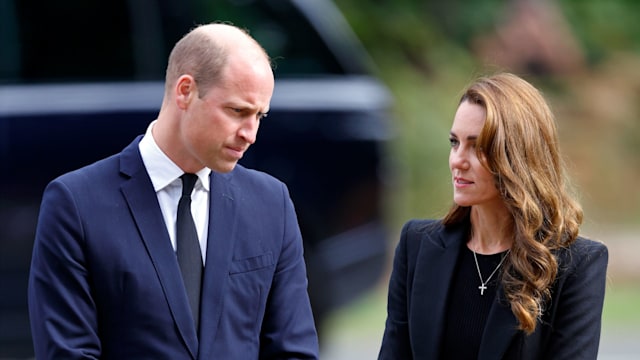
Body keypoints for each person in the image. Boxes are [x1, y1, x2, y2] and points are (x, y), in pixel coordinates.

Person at [28, 23, 319, 359]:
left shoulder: (271, 203)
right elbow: (67, 353)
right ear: (185, 91)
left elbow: (293, 350)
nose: (250, 134)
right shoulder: (76, 203)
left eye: (259, 116)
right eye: (237, 111)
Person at [378, 72, 608, 359]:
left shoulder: (577, 265)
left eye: (478, 147)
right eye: (454, 142)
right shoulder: (417, 246)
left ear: (518, 156)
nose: (458, 160)